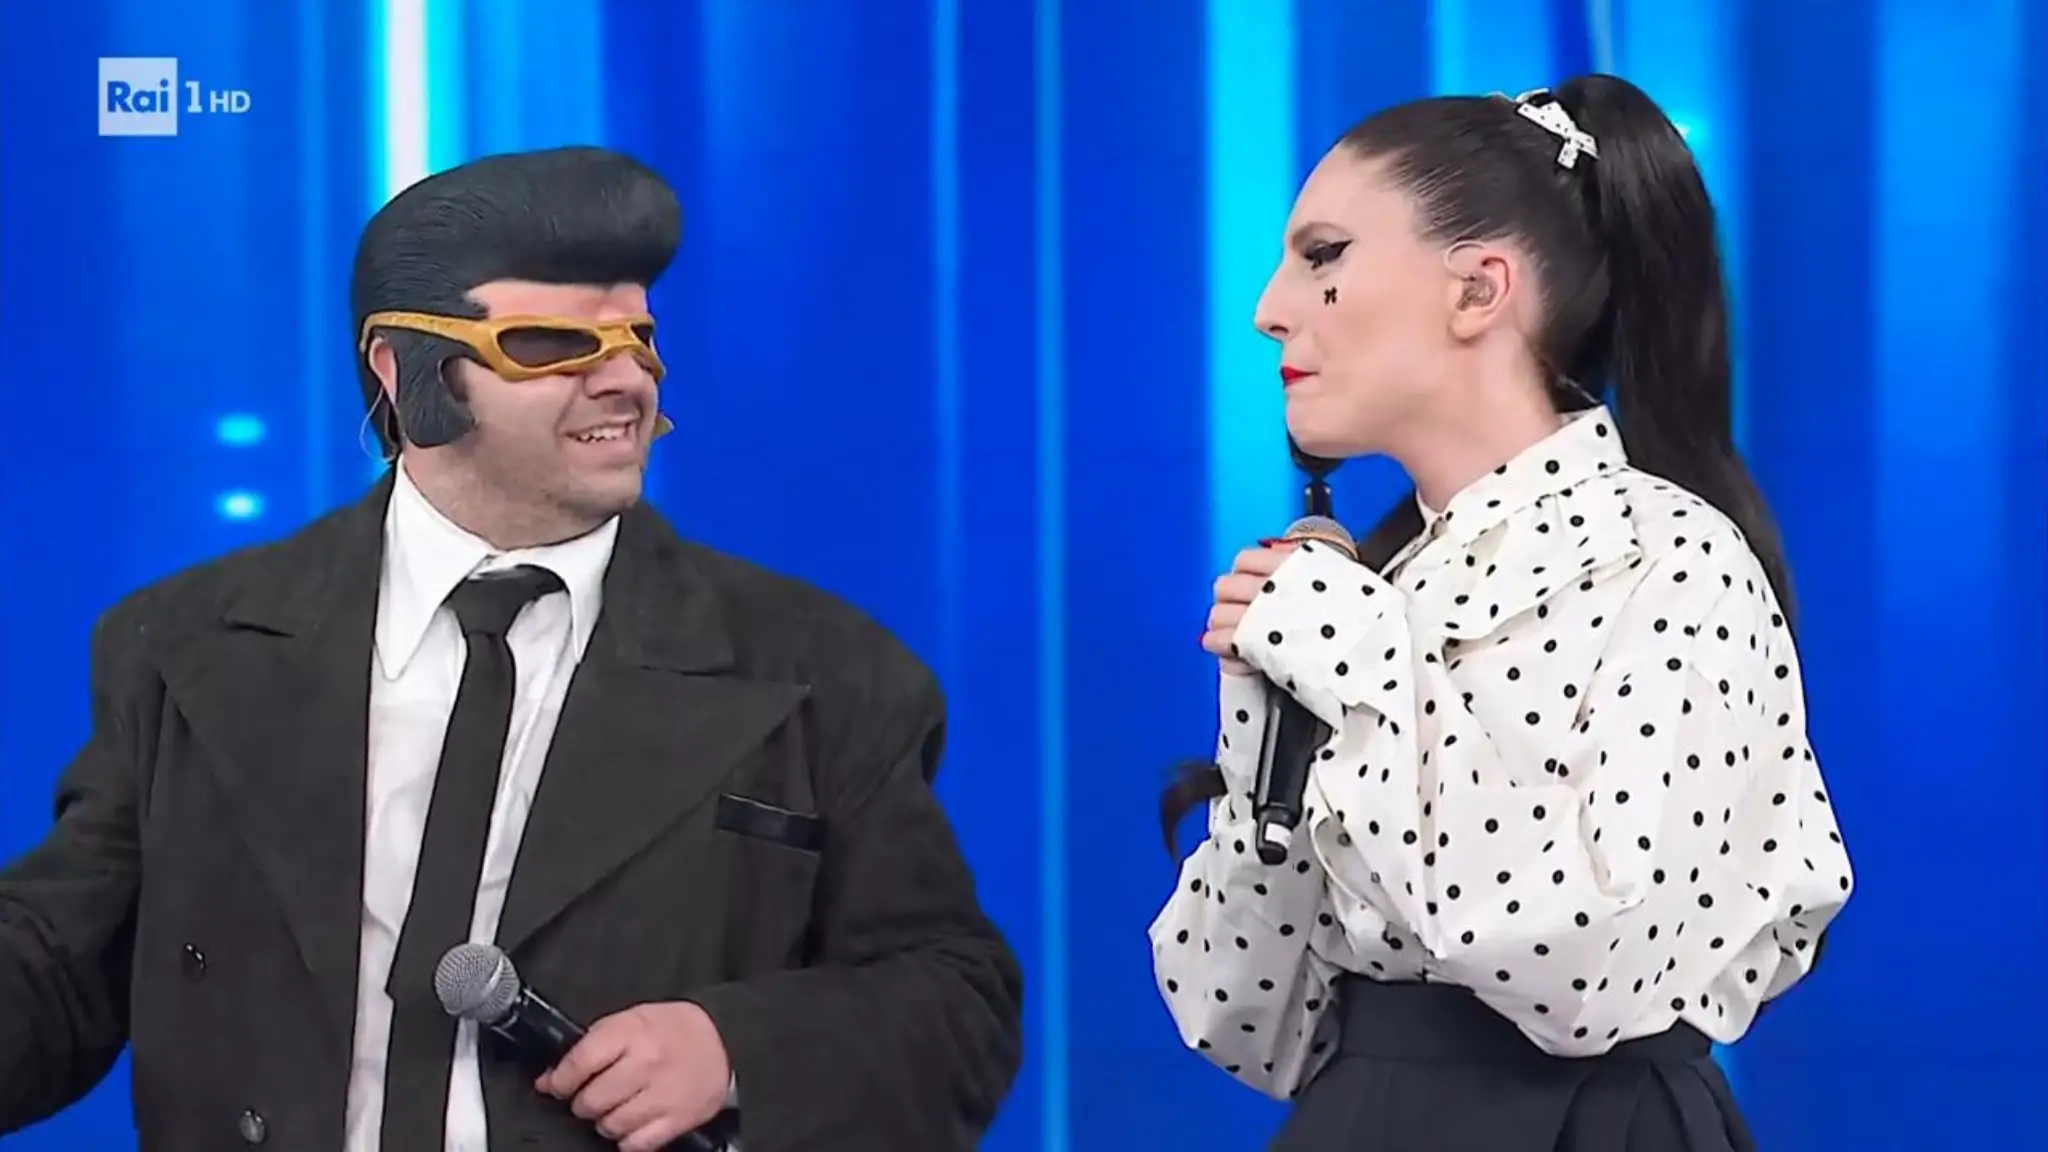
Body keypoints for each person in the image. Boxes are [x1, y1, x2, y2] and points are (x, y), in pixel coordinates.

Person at [0, 145, 1023, 1152]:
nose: (625, 382)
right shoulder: (188, 645)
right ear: (402, 371)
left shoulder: (825, 672)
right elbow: (60, 968)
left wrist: (735, 1049)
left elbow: (955, 1005)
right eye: (552, 346)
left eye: (638, 340)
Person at [1150, 76, 1853, 1151]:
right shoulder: (1371, 587)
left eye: (1323, 257)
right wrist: (1264, 720)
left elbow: (1591, 970)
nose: (1270, 308)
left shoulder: (1671, 559)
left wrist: (1360, 661)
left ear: (1478, 290)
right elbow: (1246, 1021)